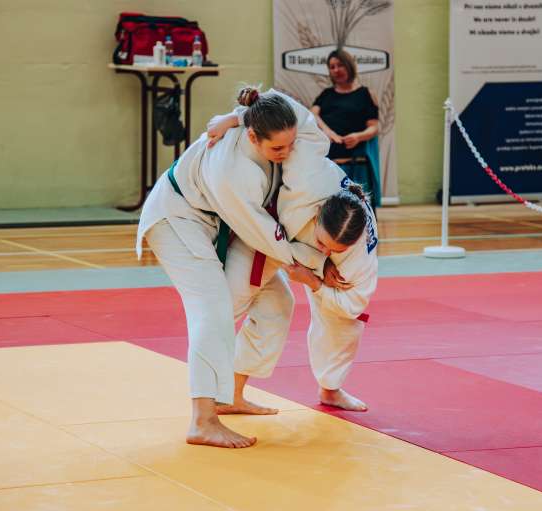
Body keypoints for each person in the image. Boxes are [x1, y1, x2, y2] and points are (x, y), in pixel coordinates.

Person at [136, 86, 330, 448]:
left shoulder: (257, 125)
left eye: (289, 146)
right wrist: (303, 264)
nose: (286, 154)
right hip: (176, 219)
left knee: (276, 305)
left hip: (211, 220)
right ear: (253, 137)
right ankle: (202, 419)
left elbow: (298, 116)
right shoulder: (231, 170)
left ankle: (231, 395)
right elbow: (262, 234)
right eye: (277, 149)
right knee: (213, 309)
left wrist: (236, 115)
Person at [207, 107, 378, 415]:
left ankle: (330, 388)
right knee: (224, 308)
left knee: (340, 321)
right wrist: (235, 117)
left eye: (332, 250)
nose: (326, 252)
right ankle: (211, 390)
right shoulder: (308, 173)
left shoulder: (359, 256)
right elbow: (283, 109)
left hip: (286, 242)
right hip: (260, 233)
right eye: (323, 243)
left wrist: (313, 280)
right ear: (318, 214)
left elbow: (353, 304)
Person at [311, 49, 380, 206]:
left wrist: (358, 136)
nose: (336, 70)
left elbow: (374, 128)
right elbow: (312, 115)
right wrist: (328, 132)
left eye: (340, 65)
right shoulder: (326, 94)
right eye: (332, 66)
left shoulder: (365, 94)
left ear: (349, 65)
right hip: (330, 165)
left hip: (357, 165)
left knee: (360, 212)